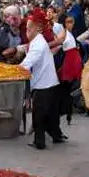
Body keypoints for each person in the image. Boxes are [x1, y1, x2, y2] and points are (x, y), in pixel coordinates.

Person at [20, 9, 64, 150]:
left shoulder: (38, 44)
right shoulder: (37, 41)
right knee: (50, 114)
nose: (26, 31)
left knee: (39, 115)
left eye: (29, 28)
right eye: (26, 28)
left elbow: (26, 65)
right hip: (49, 83)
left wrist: (8, 71)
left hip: (43, 85)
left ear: (38, 28)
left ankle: (39, 142)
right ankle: (56, 136)